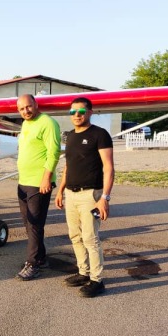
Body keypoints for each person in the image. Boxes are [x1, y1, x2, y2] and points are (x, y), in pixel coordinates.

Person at [55, 97, 114, 297]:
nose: (77, 115)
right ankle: (83, 272)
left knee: (90, 238)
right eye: (73, 112)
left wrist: (104, 197)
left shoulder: (100, 134)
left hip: (91, 194)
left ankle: (97, 280)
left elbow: (108, 167)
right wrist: (60, 190)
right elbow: (68, 166)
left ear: (90, 112)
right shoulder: (70, 136)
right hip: (71, 194)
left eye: (81, 111)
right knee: (75, 235)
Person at [15, 94, 61, 281]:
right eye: (21, 109)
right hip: (23, 181)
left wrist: (46, 179)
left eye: (28, 106)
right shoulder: (25, 124)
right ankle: (40, 257)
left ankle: (32, 264)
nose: (25, 111)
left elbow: (54, 151)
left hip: (38, 183)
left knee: (35, 223)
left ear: (35, 104)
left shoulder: (48, 122)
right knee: (28, 223)